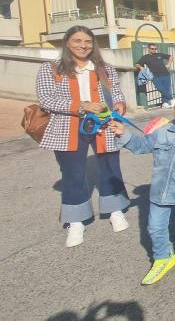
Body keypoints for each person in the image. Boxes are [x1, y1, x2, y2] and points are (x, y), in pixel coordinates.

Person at [110, 87, 175, 285]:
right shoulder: (164, 130)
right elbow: (141, 145)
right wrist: (123, 134)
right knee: (155, 228)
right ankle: (163, 257)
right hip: (160, 192)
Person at [36, 25, 129, 248]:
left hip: (104, 124)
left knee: (110, 167)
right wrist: (81, 106)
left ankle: (114, 209)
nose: (83, 46)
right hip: (68, 126)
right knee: (73, 172)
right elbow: (46, 100)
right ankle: (76, 219)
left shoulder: (104, 68)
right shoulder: (51, 69)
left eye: (87, 41)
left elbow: (116, 91)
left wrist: (120, 103)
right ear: (67, 43)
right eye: (77, 41)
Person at [136, 43, 174, 108]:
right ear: (148, 49)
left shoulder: (159, 54)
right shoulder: (145, 57)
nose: (154, 50)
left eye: (155, 49)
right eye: (152, 49)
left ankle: (165, 103)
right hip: (155, 76)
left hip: (165, 74)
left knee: (166, 89)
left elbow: (171, 56)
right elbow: (137, 64)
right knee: (160, 88)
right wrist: (141, 67)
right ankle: (172, 99)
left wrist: (169, 64)